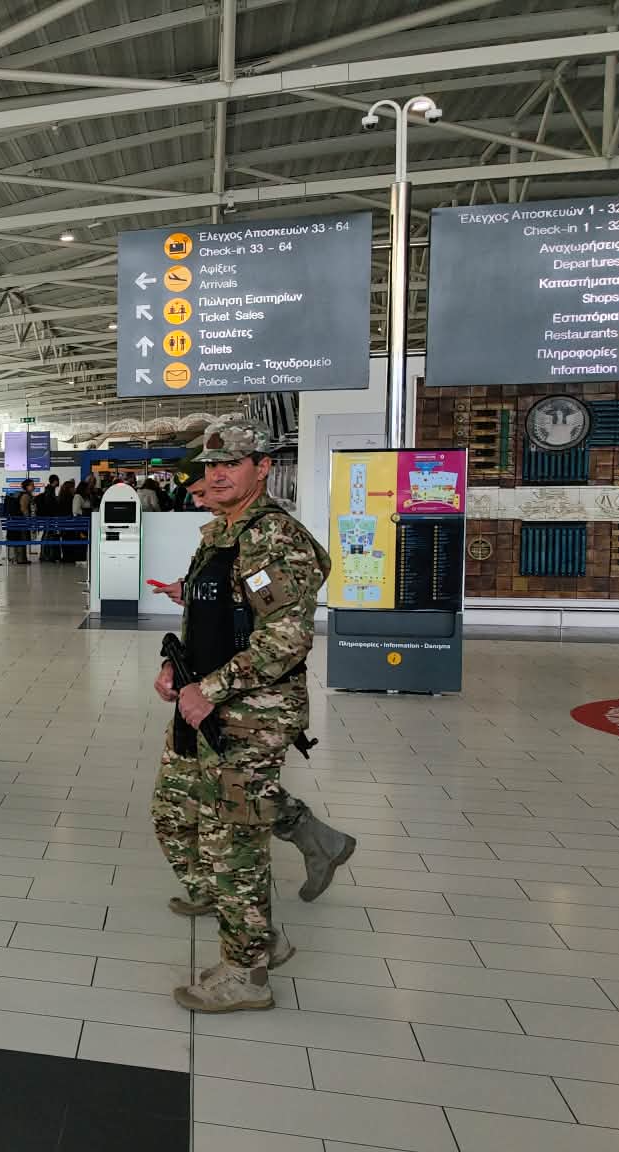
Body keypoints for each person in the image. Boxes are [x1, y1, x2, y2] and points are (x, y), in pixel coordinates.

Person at [150, 423, 356, 1014]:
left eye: (232, 463)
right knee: (173, 815)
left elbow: (286, 639)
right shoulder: (223, 532)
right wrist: (177, 670)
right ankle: (254, 926)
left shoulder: (275, 538)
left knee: (234, 843)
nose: (216, 475)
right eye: (211, 465)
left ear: (262, 467)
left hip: (248, 715)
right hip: (203, 704)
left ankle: (248, 973)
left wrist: (211, 689)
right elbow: (224, 615)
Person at [3, 480, 33, 564]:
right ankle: (21, 559)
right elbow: (24, 509)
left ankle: (13, 557)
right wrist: (28, 519)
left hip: (13, 520)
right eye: (32, 485)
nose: (33, 487)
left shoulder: (16, 494)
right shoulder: (25, 495)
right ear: (27, 486)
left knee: (14, 538)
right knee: (22, 538)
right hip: (21, 521)